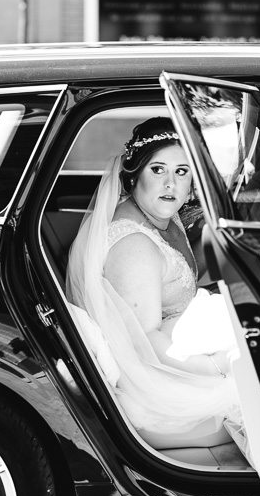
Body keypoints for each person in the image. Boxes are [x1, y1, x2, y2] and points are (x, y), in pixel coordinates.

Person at [66, 117, 248, 457]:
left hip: (181, 345)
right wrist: (219, 367)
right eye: (158, 169)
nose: (170, 184)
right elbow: (145, 341)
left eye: (181, 171)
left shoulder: (163, 217)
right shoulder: (135, 246)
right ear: (134, 175)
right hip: (161, 374)